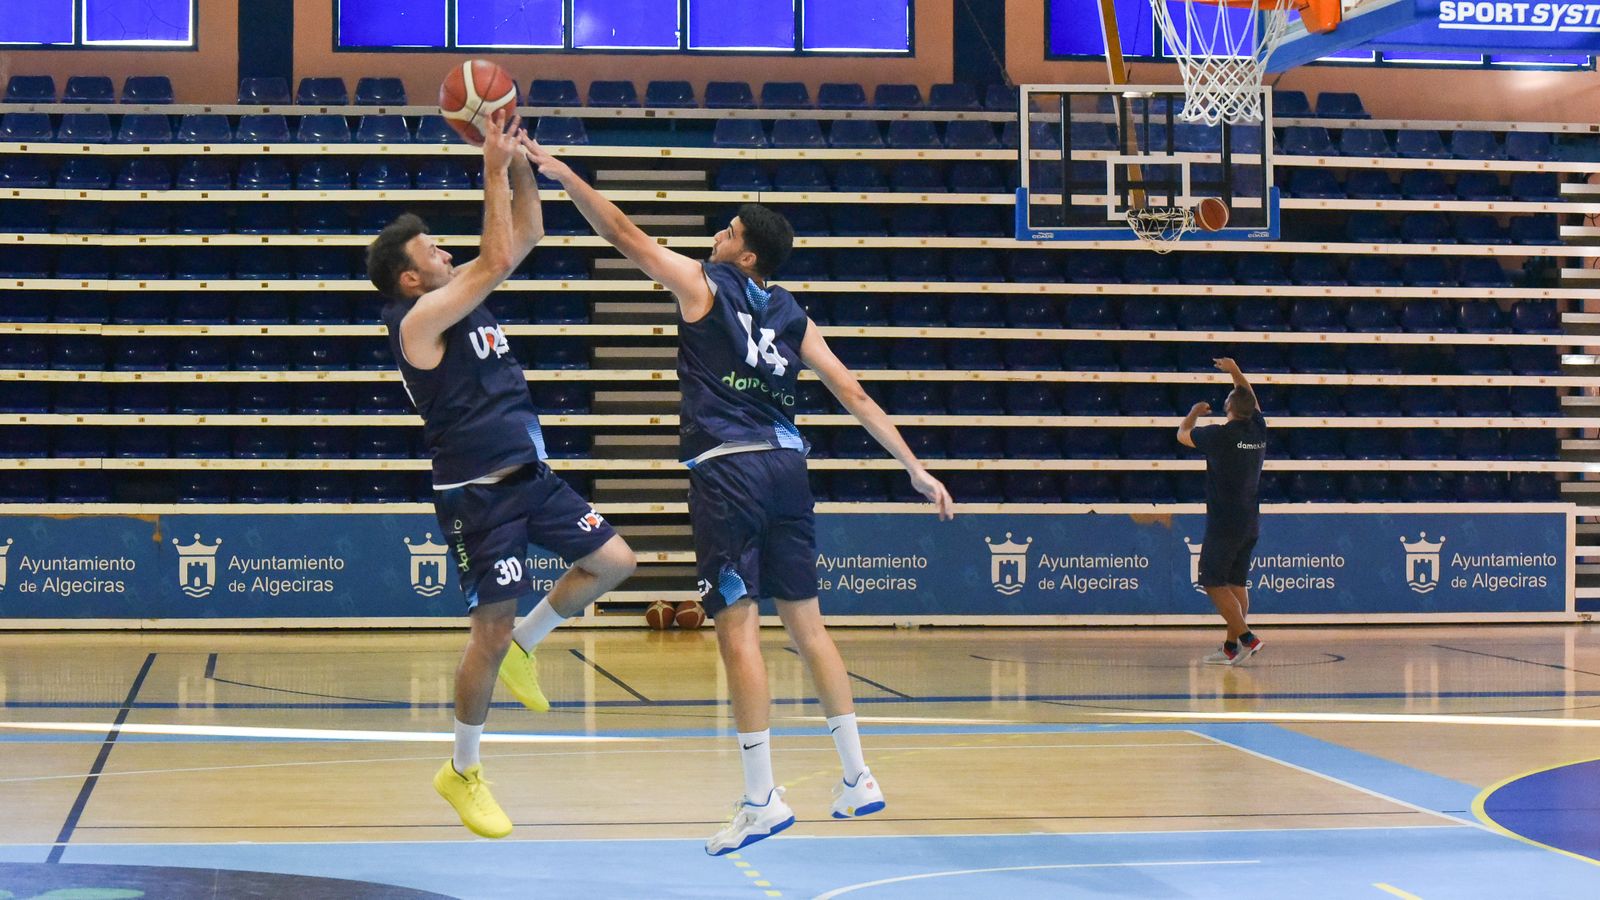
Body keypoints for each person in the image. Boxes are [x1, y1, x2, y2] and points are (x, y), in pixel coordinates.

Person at [521, 138, 954, 855]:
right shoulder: (789, 311)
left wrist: (566, 175)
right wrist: (914, 466)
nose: (716, 236)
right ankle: (858, 776)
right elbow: (850, 390)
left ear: (746, 254)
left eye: (727, 231)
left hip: (730, 474)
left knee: (739, 631)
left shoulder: (705, 284)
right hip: (788, 470)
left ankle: (761, 800)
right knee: (809, 628)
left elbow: (623, 234)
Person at [366, 112, 636, 838]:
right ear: (410, 276)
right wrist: (489, 166)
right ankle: (462, 770)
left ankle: (528, 644)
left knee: (614, 561)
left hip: (532, 477)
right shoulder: (416, 322)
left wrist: (517, 160)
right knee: (484, 634)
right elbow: (492, 259)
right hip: (477, 497)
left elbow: (528, 235)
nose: (445, 249)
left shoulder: (459, 292)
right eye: (431, 248)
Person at [1177, 358, 1266, 666]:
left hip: (1224, 523)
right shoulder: (1258, 429)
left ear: (1229, 406)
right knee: (1236, 584)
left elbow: (1182, 435)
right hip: (1250, 521)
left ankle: (1248, 639)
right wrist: (1235, 371)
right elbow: (1249, 397)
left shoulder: (1219, 435)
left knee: (1213, 583)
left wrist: (1192, 413)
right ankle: (1230, 647)